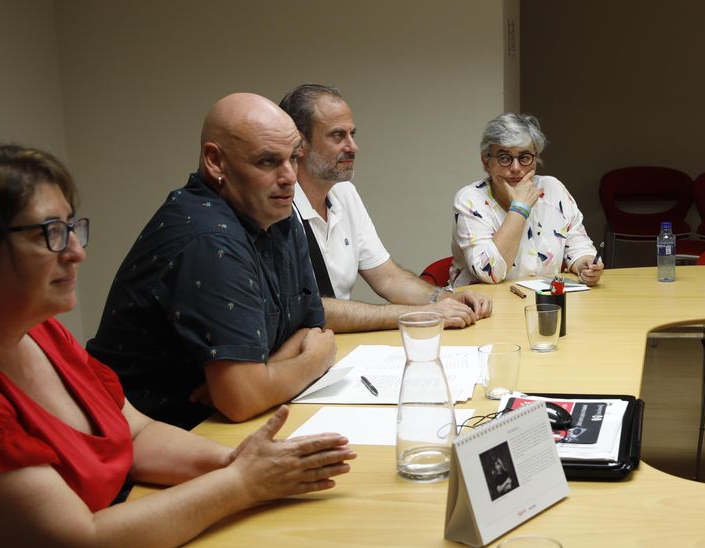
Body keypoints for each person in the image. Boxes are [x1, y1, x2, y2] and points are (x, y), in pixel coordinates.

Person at [0, 142, 354, 546]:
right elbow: (81, 539)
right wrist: (240, 482)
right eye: (51, 234)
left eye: (72, 229)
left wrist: (240, 461)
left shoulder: (41, 332)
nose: (77, 253)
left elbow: (136, 434)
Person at [87, 93, 335, 429]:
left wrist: (263, 373)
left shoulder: (276, 210)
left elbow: (310, 324)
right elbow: (242, 399)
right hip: (144, 441)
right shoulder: (209, 238)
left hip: (215, 424)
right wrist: (316, 358)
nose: (289, 176)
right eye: (267, 162)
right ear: (215, 162)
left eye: (293, 158)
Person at [278, 84, 491, 332]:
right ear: (299, 144)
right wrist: (423, 314)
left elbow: (388, 277)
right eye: (338, 136)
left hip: (338, 347)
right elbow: (311, 310)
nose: (352, 147)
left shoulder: (344, 192)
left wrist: (444, 298)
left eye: (352, 135)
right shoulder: (279, 207)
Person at [450, 113, 603, 287]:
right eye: (504, 158)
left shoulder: (552, 189)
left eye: (524, 157)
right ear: (486, 162)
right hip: (480, 307)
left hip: (542, 303)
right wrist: (520, 208)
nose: (516, 168)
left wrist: (585, 263)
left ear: (534, 160)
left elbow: (578, 247)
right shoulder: (470, 200)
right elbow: (489, 273)